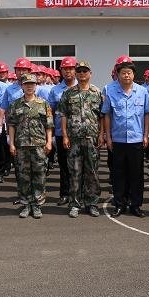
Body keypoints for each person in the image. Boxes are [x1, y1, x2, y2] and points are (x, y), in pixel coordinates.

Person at [102, 59, 149, 217]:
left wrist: (146, 135)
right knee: (118, 174)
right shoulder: (110, 91)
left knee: (136, 174)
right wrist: (108, 136)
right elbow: (107, 115)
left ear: (134, 74)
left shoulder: (142, 91)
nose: (126, 76)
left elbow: (147, 114)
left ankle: (136, 205)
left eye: (129, 73)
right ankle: (119, 204)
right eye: (123, 73)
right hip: (117, 140)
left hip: (136, 139)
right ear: (117, 75)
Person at [58, 60, 104, 218]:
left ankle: (92, 203)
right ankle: (75, 204)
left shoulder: (97, 92)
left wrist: (101, 134)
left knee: (92, 172)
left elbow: (101, 116)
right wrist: (65, 135)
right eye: (79, 71)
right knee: (75, 172)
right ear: (76, 74)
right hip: (74, 139)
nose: (82, 74)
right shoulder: (68, 93)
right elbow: (64, 115)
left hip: (92, 138)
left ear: (90, 73)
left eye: (85, 71)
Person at [6, 73, 53, 219]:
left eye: (32, 84)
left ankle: (37, 204)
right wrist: (11, 143)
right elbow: (11, 125)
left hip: (39, 145)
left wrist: (49, 142)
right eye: (26, 84)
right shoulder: (15, 104)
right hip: (21, 146)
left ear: (36, 86)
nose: (29, 87)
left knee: (39, 175)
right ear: (22, 86)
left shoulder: (43, 104)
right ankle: (26, 204)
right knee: (23, 176)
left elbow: (49, 125)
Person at [48, 56, 78, 206]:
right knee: (64, 165)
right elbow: (50, 111)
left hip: (79, 133)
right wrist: (51, 133)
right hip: (61, 133)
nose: (68, 72)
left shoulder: (83, 87)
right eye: (65, 69)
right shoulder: (55, 90)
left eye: (70, 69)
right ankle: (65, 193)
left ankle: (79, 194)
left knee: (80, 165)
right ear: (60, 71)